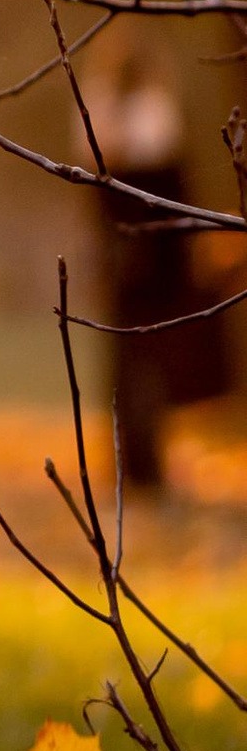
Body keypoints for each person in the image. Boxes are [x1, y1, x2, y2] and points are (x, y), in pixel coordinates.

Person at [89, 38, 230, 495]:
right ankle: (143, 466)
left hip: (124, 264)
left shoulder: (100, 117)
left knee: (131, 365)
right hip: (153, 264)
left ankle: (137, 465)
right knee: (147, 363)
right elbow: (171, 194)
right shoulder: (153, 116)